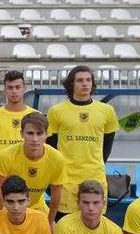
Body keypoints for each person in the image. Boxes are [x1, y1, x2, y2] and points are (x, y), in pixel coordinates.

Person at [47, 66, 119, 219]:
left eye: (88, 80)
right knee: (64, 227)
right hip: (66, 180)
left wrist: (95, 164)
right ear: (71, 84)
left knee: (93, 227)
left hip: (95, 178)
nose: (85, 84)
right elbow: (51, 147)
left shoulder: (107, 111)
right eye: (80, 80)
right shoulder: (56, 111)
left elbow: (107, 147)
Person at [0, 112, 65, 227]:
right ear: (21, 134)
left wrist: (50, 221)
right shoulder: (6, 156)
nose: (34, 139)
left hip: (37, 207)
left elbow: (56, 193)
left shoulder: (57, 158)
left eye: (39, 133)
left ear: (46, 134)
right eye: (30, 133)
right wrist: (4, 216)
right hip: (11, 207)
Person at [0, 70, 36, 162]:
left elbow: (41, 147)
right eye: (10, 88)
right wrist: (2, 166)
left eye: (18, 87)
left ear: (24, 88)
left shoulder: (35, 115)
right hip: (2, 173)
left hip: (27, 171)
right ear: (5, 90)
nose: (14, 91)